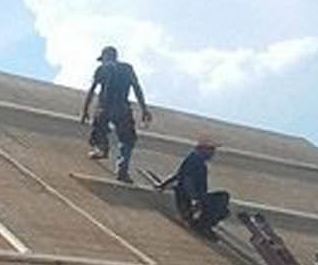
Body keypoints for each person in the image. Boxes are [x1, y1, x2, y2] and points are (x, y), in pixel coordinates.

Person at [80, 46, 151, 182]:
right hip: (122, 108)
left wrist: (85, 110)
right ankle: (122, 168)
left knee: (98, 131)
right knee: (128, 140)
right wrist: (144, 109)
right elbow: (136, 88)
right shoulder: (127, 68)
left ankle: (102, 149)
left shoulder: (102, 69)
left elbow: (92, 90)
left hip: (104, 108)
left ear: (106, 57)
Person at [155, 137, 231, 232]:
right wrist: (194, 199)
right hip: (189, 196)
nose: (213, 153)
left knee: (223, 204)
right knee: (222, 198)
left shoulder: (196, 160)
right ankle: (202, 225)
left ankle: (203, 224)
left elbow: (179, 174)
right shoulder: (195, 160)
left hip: (194, 195)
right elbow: (186, 180)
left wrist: (163, 185)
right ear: (203, 149)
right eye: (211, 150)